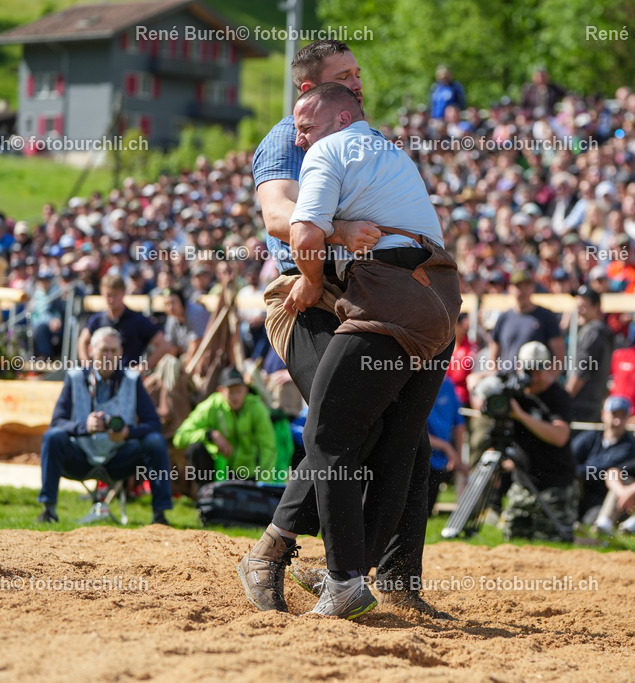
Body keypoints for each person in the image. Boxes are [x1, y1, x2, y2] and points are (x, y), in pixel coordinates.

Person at [243, 40, 448, 620]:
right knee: (343, 425)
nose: (358, 83)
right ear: (312, 91)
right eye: (345, 75)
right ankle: (274, 554)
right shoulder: (289, 137)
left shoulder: (358, 137)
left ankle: (395, 582)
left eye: (358, 74)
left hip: (367, 293)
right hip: (306, 294)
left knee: (406, 436)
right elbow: (279, 217)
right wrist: (339, 229)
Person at [37, 328, 172, 525]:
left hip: (120, 458)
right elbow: (57, 422)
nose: (109, 356)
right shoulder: (74, 377)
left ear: (121, 352)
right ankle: (48, 510)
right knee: (53, 437)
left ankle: (160, 515)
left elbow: (154, 424)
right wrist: (85, 427)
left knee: (155, 441)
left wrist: (127, 433)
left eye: (114, 351)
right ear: (91, 350)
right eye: (103, 350)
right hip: (80, 457)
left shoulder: (132, 379)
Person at [495, 342, 579, 542]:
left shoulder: (558, 396)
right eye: (528, 370)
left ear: (549, 368)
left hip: (555, 484)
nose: (534, 377)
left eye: (539, 370)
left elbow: (560, 436)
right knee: (514, 541)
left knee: (553, 543)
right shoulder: (513, 392)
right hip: (523, 482)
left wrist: (521, 416)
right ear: (519, 368)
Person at [172, 367, 279, 492]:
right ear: (220, 391)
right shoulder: (211, 406)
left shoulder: (256, 408)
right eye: (230, 392)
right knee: (195, 449)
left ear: (246, 389)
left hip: (249, 474)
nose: (235, 397)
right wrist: (211, 434)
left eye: (239, 391)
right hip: (219, 472)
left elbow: (268, 447)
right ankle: (205, 494)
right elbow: (179, 437)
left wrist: (263, 485)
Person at [571, 395, 635, 522]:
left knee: (591, 518)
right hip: (582, 492)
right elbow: (570, 457)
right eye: (614, 415)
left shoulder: (629, 446)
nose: (618, 421)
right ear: (604, 415)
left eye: (623, 416)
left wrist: (576, 471)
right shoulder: (591, 437)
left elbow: (600, 470)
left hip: (604, 499)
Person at [77, 274, 166, 371]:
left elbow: (163, 345)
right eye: (108, 295)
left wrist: (143, 367)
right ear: (102, 293)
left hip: (128, 376)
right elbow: (82, 341)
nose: (111, 300)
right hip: (102, 376)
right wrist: (88, 366)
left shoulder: (137, 320)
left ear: (123, 293)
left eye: (115, 295)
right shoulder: (97, 319)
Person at [488, 268, 564, 370]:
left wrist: (547, 379)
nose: (523, 291)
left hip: (536, 381)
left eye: (527, 286)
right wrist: (497, 376)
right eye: (519, 286)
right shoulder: (504, 318)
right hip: (507, 379)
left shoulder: (546, 316)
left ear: (533, 287)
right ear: (510, 289)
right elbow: (493, 354)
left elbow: (559, 356)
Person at [565, 285, 614, 423]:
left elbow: (582, 371)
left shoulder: (593, 332)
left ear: (596, 307)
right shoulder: (601, 331)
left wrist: (565, 398)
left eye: (583, 307)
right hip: (592, 403)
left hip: (581, 405)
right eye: (577, 306)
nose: (579, 311)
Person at [425, 376, 468, 515]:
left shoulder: (448, 385)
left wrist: (459, 459)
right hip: (421, 457)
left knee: (426, 511)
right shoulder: (421, 383)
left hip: (442, 461)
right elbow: (412, 432)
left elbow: (459, 425)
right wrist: (446, 447)